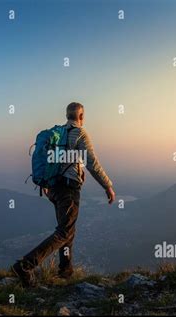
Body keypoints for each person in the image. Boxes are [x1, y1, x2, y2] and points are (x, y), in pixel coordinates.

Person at [11, 102, 116, 287]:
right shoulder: (80, 133)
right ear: (81, 116)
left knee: (68, 230)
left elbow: (52, 161)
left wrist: (46, 182)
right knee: (64, 231)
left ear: (67, 115)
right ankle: (25, 266)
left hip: (53, 188)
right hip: (69, 189)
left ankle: (65, 272)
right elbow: (91, 163)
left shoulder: (57, 134)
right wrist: (107, 185)